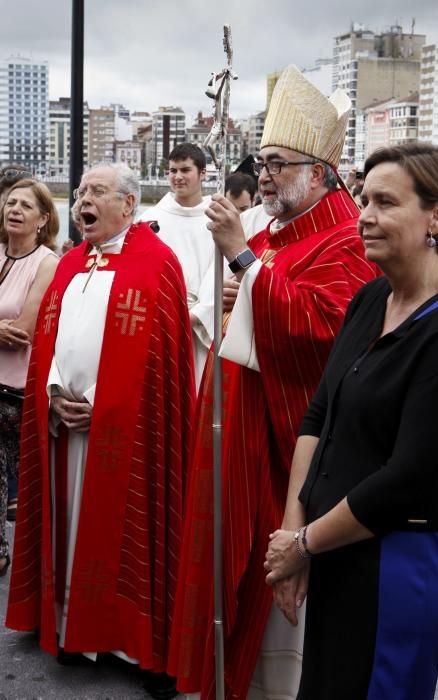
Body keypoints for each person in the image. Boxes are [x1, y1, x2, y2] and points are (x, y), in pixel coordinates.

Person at [167, 64, 379, 699]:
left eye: (278, 162)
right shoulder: (287, 230)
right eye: (260, 160)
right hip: (240, 435)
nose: (263, 173)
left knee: (276, 640)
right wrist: (247, 282)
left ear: (319, 172)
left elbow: (326, 333)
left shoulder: (346, 238)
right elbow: (265, 294)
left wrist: (244, 263)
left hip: (281, 451)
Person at [264, 142, 438, 700]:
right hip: (333, 550)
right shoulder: (371, 297)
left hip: (398, 566)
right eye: (363, 198)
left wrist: (302, 544)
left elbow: (408, 478)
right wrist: (296, 531)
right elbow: (320, 414)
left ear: (437, 218)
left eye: (386, 202)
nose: (365, 215)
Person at [6, 163, 196, 698]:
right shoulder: (69, 263)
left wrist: (108, 408)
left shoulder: (157, 266)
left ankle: (132, 646)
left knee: (127, 533)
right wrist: (51, 398)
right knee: (69, 528)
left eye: (96, 192)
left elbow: (161, 368)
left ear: (128, 204)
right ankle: (69, 628)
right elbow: (46, 345)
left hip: (128, 439)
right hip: (64, 430)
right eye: (82, 191)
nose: (83, 200)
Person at [0, 179, 59, 574]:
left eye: (25, 205)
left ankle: (36, 570)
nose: (15, 209)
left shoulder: (47, 262)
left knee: (26, 496)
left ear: (42, 219)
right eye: (10, 202)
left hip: (20, 395)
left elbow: (21, 331)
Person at [140, 143, 213, 388]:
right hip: (159, 323)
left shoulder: (218, 218)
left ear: (203, 173)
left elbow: (223, 274)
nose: (177, 177)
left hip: (200, 327)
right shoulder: (148, 220)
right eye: (172, 171)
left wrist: (195, 315)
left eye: (185, 170)